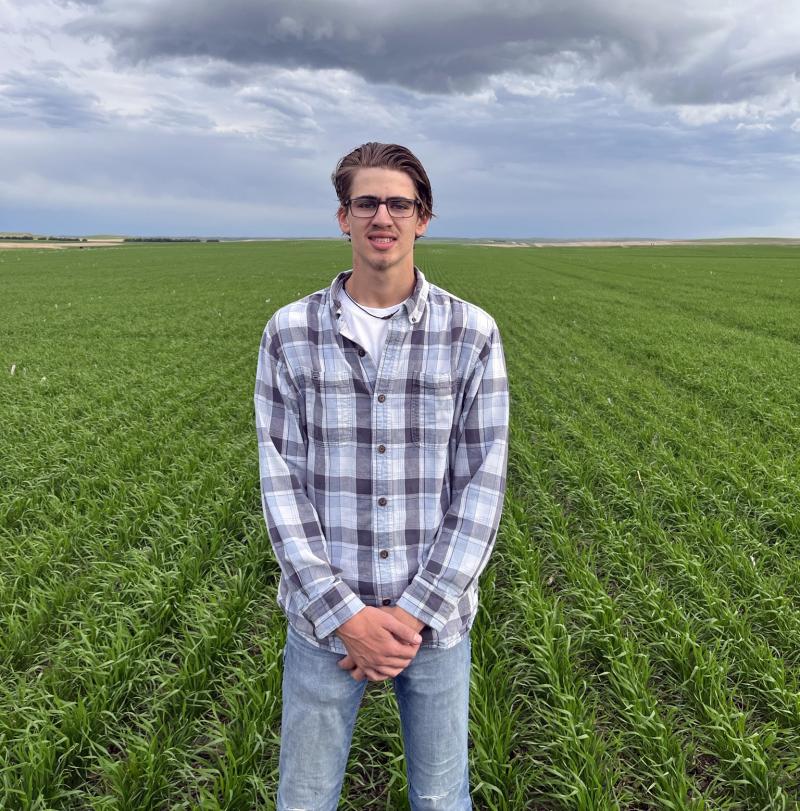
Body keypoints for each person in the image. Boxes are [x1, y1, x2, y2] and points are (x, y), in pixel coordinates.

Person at [255, 142, 509, 810]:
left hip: (434, 626)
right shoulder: (288, 334)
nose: (382, 216)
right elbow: (281, 485)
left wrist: (410, 615)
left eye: (399, 203)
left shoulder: (471, 334)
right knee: (304, 797)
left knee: (442, 796)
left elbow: (481, 484)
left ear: (423, 218)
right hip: (322, 627)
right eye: (366, 201)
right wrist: (348, 618)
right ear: (343, 216)